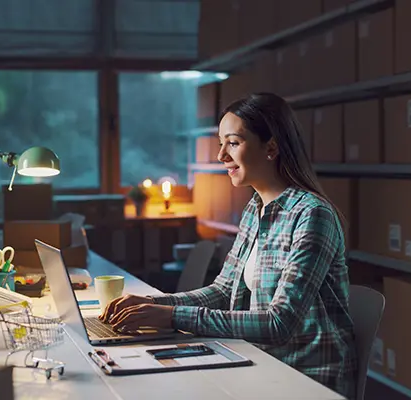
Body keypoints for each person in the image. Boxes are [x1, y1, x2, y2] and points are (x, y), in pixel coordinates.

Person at [100, 92, 357, 400]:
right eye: (220, 143)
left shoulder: (312, 214)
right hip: (259, 362)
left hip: (305, 379)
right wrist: (157, 304)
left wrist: (170, 317)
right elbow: (222, 291)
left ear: (271, 147)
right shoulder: (255, 209)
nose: (221, 156)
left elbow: (280, 323)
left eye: (233, 143)